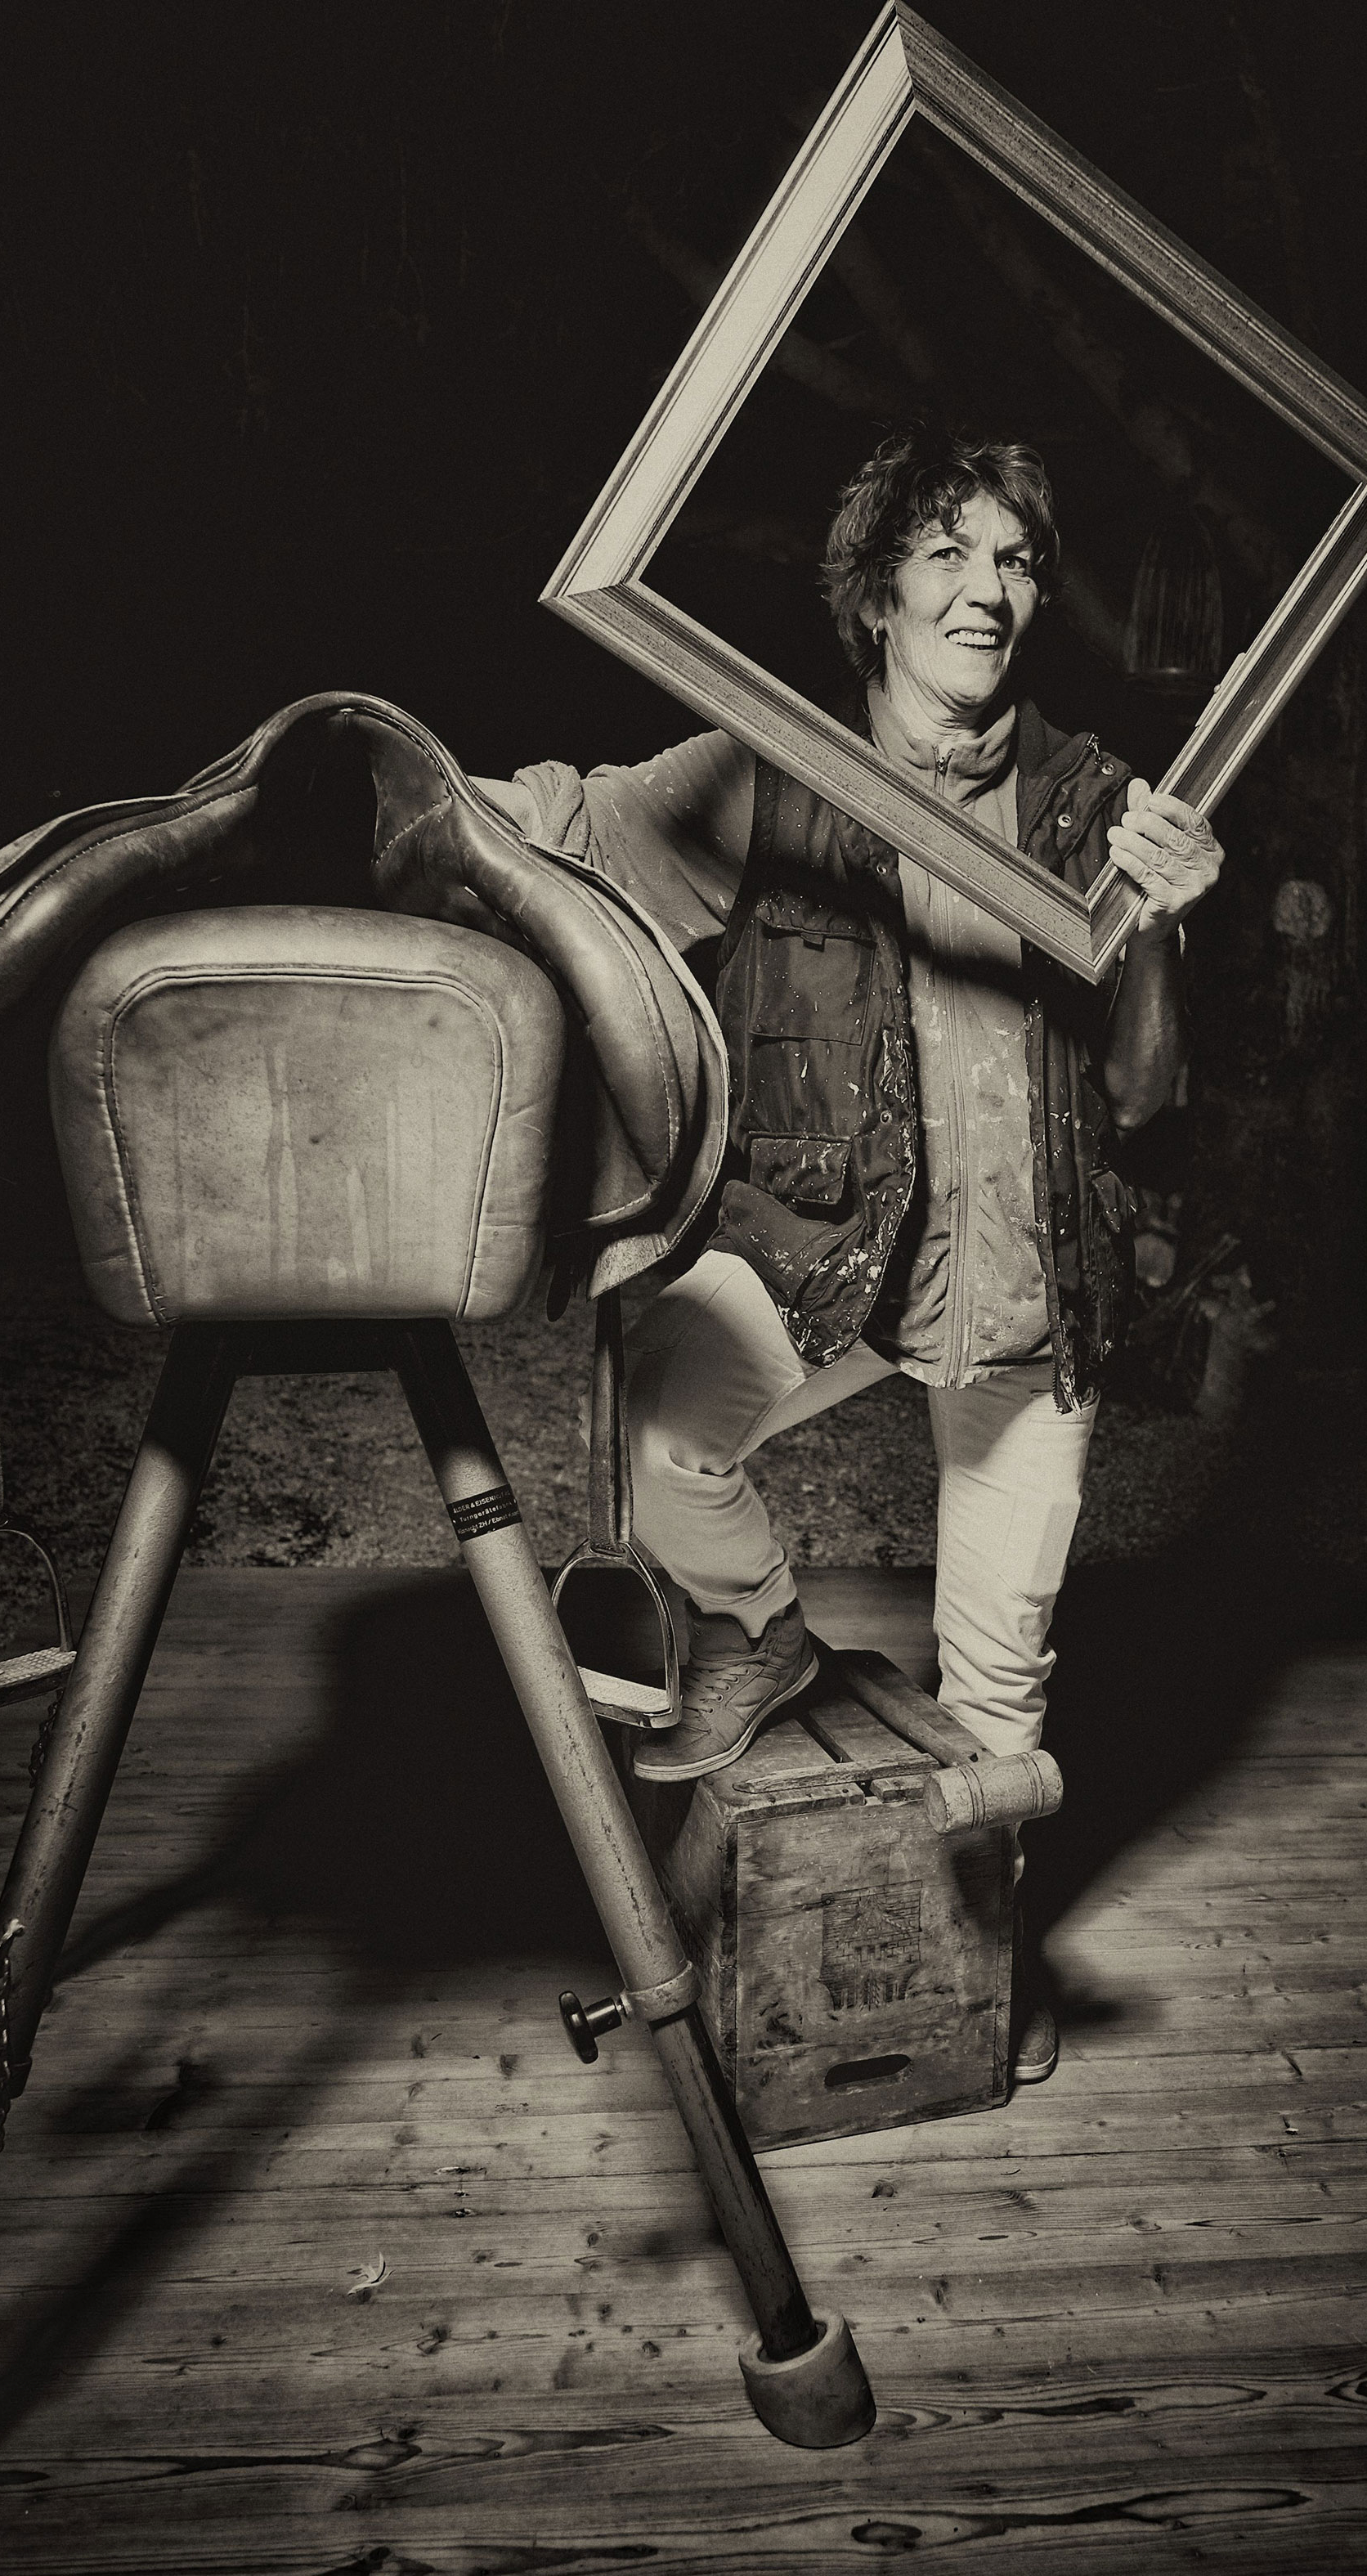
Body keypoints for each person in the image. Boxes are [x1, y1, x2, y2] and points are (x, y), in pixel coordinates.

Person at [482, 424, 1222, 2079]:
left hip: (1029, 1290)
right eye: (949, 553)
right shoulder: (774, 768)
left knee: (999, 1684)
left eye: (1014, 559)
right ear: (879, 595)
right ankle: (760, 1635)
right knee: (666, 1436)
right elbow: (574, 821)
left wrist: (1164, 920)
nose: (988, 589)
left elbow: (1146, 1092)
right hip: (831, 1257)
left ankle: (983, 1969)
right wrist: (425, 803)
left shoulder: (1096, 801)